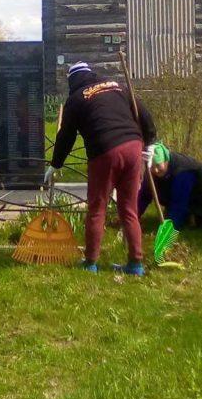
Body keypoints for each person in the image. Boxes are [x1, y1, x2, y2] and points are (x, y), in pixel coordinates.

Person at [48, 62, 157, 275]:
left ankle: (90, 263)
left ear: (73, 80)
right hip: (133, 147)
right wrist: (150, 143)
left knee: (97, 209)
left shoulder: (77, 99)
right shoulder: (118, 87)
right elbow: (143, 113)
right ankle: (136, 264)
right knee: (129, 208)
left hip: (105, 151)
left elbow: (66, 136)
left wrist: (55, 164)